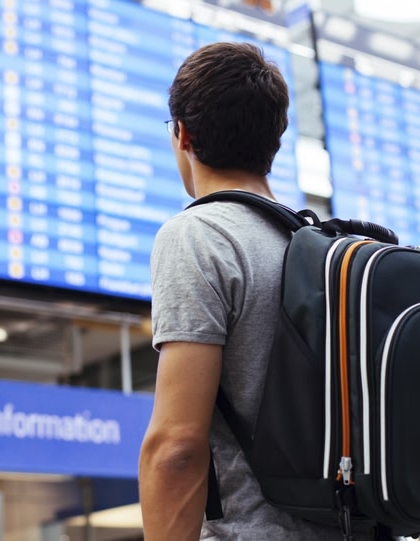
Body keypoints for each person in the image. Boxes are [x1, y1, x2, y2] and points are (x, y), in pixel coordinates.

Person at [138, 42, 342, 540]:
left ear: (182, 134)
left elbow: (177, 448)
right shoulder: (325, 249)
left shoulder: (201, 236)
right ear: (273, 139)